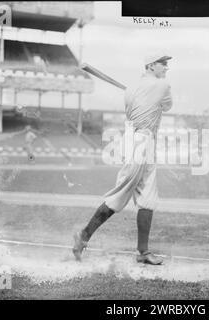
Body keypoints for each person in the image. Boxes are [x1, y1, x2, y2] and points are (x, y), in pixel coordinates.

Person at [72, 53, 173, 265]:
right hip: (140, 142)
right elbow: (167, 106)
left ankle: (143, 252)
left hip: (140, 140)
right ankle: (83, 235)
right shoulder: (162, 86)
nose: (166, 67)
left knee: (148, 198)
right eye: (163, 64)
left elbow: (131, 114)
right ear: (151, 65)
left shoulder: (130, 90)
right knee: (120, 194)